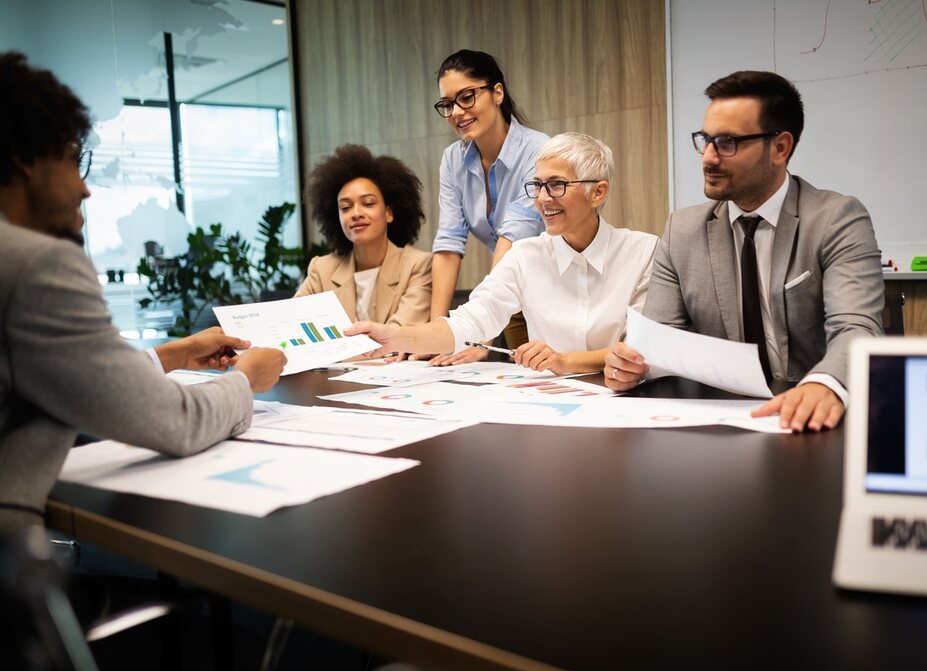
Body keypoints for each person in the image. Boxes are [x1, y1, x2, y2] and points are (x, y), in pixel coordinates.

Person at [0, 52, 287, 531]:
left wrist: (175, 354)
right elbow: (177, 421)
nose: (86, 189)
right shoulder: (37, 266)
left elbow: (66, 372)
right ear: (25, 161)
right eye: (75, 161)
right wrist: (246, 381)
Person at [604, 70, 884, 433]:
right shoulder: (682, 231)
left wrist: (823, 383)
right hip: (722, 424)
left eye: (727, 143)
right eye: (705, 140)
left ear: (780, 147)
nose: (708, 158)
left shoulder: (836, 219)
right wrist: (629, 365)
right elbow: (656, 344)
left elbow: (857, 327)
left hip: (813, 420)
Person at [346, 133, 659, 375]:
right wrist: (395, 336)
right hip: (549, 406)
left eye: (557, 185)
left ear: (598, 192)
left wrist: (566, 361)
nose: (542, 199)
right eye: (537, 185)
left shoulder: (644, 251)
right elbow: (470, 321)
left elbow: (641, 349)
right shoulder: (525, 256)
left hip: (626, 402)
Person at [428, 49, 550, 364]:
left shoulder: (538, 150)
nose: (456, 112)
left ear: (497, 93)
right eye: (447, 104)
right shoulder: (453, 160)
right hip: (506, 295)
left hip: (550, 298)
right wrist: (436, 333)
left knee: (546, 385)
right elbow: (448, 245)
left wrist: (481, 330)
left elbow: (514, 237)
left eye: (467, 97)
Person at [296, 144, 431, 331]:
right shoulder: (321, 270)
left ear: (389, 213)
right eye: (345, 207)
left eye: (368, 203)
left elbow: (399, 336)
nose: (356, 213)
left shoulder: (417, 266)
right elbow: (293, 324)